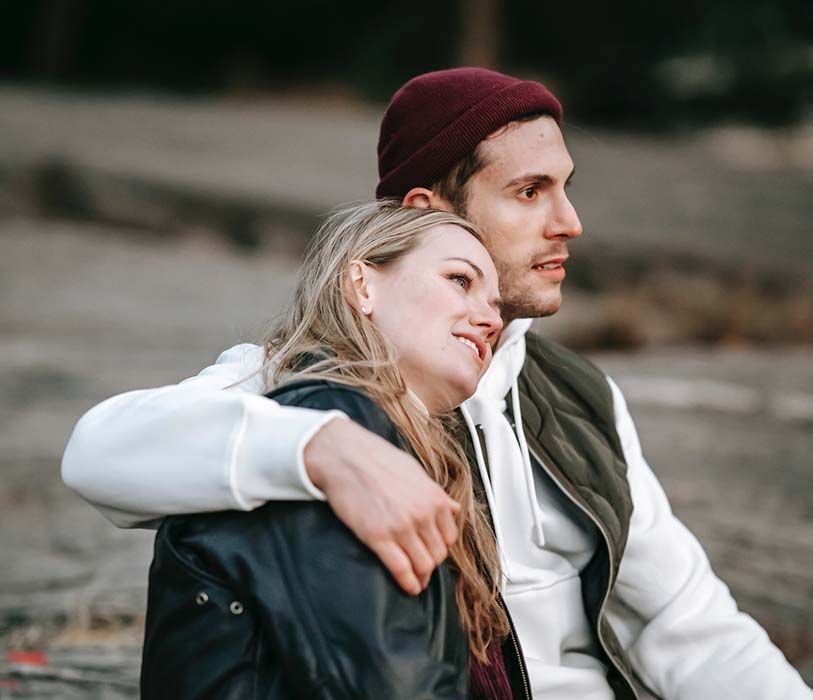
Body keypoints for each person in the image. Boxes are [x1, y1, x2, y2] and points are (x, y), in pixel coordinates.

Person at [62, 68, 812, 699]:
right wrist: (321, 446)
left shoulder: (581, 397)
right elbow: (99, 452)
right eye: (528, 192)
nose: (570, 222)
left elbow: (690, 628)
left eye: (565, 188)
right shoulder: (306, 385)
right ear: (427, 211)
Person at [140, 201, 513, 699]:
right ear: (362, 285)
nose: (490, 319)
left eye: (497, 305)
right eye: (460, 280)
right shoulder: (332, 421)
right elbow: (385, 683)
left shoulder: (383, 435)